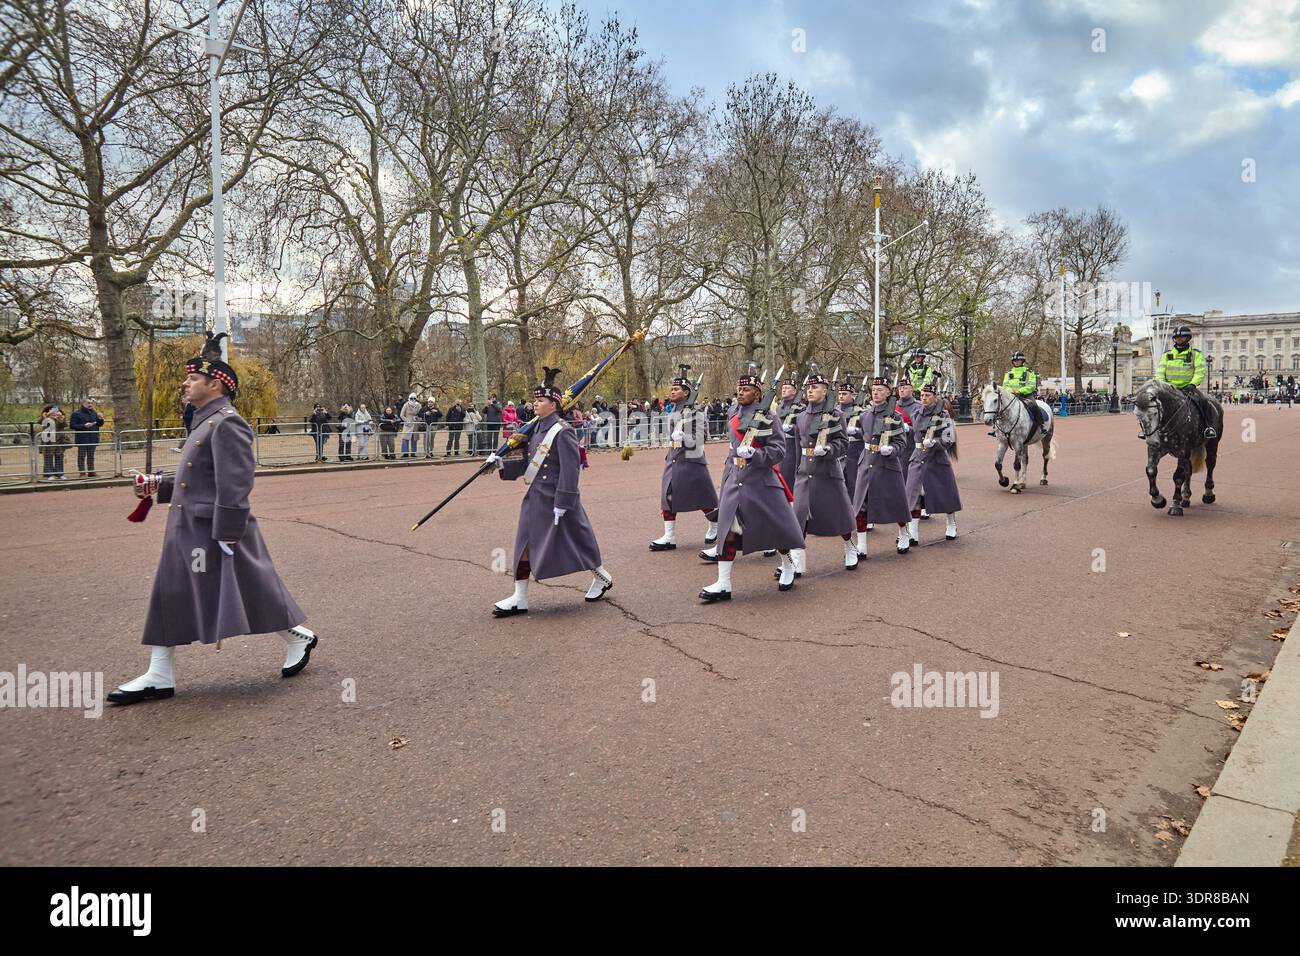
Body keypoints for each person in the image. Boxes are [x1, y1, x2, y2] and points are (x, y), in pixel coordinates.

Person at [111, 335, 318, 705]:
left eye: (192, 379)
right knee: (171, 591)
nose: (185, 384)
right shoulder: (203, 422)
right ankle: (159, 672)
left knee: (251, 588)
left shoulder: (227, 424)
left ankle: (296, 635)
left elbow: (236, 484)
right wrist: (159, 485)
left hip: (214, 530)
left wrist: (226, 534)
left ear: (216, 383)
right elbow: (197, 481)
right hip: (189, 526)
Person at [485, 367, 613, 616]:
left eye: (540, 400)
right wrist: (501, 464)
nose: (535, 404)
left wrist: (563, 502)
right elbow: (527, 464)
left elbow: (570, 469)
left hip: (557, 498)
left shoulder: (563, 431)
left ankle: (601, 575)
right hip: (536, 497)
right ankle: (519, 597)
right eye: (535, 399)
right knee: (524, 545)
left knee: (578, 542)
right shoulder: (535, 430)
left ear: (553, 404)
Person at [700, 362, 804, 602]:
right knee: (727, 531)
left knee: (775, 530)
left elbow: (779, 451)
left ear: (757, 393)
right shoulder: (733, 413)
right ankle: (723, 583)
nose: (740, 392)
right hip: (735, 479)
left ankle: (787, 564)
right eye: (738, 388)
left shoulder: (769, 417)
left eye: (746, 390)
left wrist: (755, 455)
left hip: (761, 481)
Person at [791, 365, 857, 573]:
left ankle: (849, 546)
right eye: (808, 388)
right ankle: (797, 562)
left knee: (839, 515)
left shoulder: (836, 415)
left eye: (816, 387)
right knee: (799, 517)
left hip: (828, 472)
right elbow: (796, 447)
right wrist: (797, 470)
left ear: (825, 391)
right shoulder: (801, 417)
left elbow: (843, 443)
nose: (810, 391)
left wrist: (828, 449)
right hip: (805, 473)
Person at [649, 365, 719, 551]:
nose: (672, 392)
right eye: (671, 389)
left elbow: (700, 438)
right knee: (668, 496)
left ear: (687, 392)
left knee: (704, 498)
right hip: (674, 459)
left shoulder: (697, 412)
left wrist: (684, 437)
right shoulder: (672, 410)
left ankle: (715, 526)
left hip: (692, 461)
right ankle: (669, 536)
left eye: (676, 389)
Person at [850, 376, 913, 556]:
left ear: (888, 393)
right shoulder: (864, 415)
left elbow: (901, 443)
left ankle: (903, 533)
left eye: (880, 390)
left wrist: (891, 449)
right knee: (861, 505)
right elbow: (863, 437)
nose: (875, 392)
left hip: (887, 465)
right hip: (867, 462)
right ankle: (861, 545)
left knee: (897, 504)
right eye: (874, 390)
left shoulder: (895, 416)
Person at [906, 383, 961, 544]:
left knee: (945, 494)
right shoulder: (916, 413)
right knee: (913, 495)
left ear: (935, 397)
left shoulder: (943, 416)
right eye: (922, 395)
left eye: (927, 395)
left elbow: (948, 438)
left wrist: (935, 443)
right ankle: (913, 532)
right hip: (917, 456)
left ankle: (951, 523)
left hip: (936, 458)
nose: (924, 398)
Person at [1156, 326, 1216, 439]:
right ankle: (1151, 430)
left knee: (1204, 401)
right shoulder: (1167, 355)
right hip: (1169, 389)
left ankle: (1208, 427)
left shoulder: (1195, 354)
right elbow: (1160, 372)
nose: (1179, 339)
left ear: (1188, 338)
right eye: (1177, 337)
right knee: (1152, 405)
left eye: (1182, 337)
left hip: (1188, 388)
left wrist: (1192, 384)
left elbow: (1199, 371)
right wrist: (1163, 385)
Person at [999, 351, 1047, 435]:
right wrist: (1010, 390)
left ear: (1022, 361)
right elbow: (1005, 385)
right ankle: (996, 429)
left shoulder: (1029, 372)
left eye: (1018, 360)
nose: (1016, 362)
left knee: (1035, 407)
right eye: (1015, 361)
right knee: (1000, 408)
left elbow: (1031, 386)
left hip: (1026, 395)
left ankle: (1041, 426)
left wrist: (1020, 391)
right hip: (1011, 396)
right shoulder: (1008, 373)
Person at [775, 372, 804, 490]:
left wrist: (792, 429)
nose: (784, 389)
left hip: (792, 446)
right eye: (783, 387)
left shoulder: (800, 408)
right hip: (780, 444)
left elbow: (804, 429)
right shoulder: (778, 407)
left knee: (789, 476)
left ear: (794, 391)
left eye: (787, 388)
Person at [70, 399, 104, 477]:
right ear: (83, 403)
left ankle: (91, 472)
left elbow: (99, 424)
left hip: (93, 438)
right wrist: (83, 426)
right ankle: (82, 473)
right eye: (88, 403)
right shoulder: (76, 413)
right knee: (81, 456)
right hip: (82, 438)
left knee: (91, 456)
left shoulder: (94, 413)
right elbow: (72, 425)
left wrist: (100, 419)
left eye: (91, 403)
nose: (90, 405)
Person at [38, 403, 67, 480]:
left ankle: (60, 474)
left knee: (59, 457)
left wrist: (61, 418)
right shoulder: (44, 416)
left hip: (59, 440)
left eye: (56, 410)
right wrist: (47, 416)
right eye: (52, 410)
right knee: (48, 457)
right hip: (48, 441)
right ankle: (49, 474)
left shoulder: (60, 417)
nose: (54, 412)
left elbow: (64, 425)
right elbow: (40, 422)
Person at [399, 392, 421, 458]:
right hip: (408, 424)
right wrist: (406, 420)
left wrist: (418, 418)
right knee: (405, 438)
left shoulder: (418, 405)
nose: (413, 399)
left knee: (414, 439)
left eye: (414, 398)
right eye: (411, 398)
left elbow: (421, 414)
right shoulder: (406, 404)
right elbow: (401, 415)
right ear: (409, 398)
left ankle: (413, 453)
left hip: (415, 423)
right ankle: (405, 453)